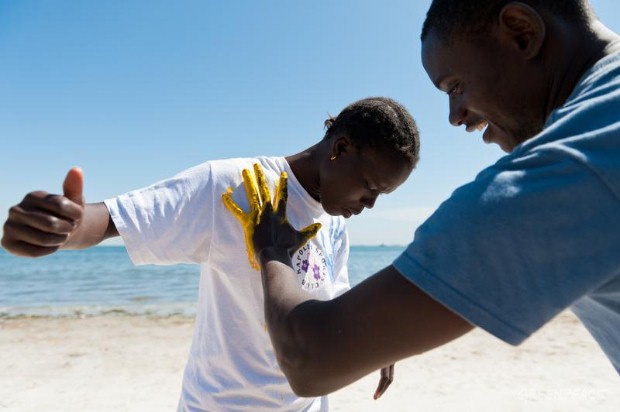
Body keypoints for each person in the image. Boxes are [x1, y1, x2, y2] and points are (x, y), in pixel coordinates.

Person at [238, 0, 620, 398]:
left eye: (455, 86)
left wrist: (272, 248)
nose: (455, 116)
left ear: (522, 32)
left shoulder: (571, 165)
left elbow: (309, 358)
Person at [1, 97, 420, 411]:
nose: (369, 206)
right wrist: (64, 227)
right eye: (370, 188)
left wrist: (377, 342)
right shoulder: (231, 183)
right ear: (340, 149)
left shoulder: (334, 219)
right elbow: (115, 220)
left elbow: (334, 304)